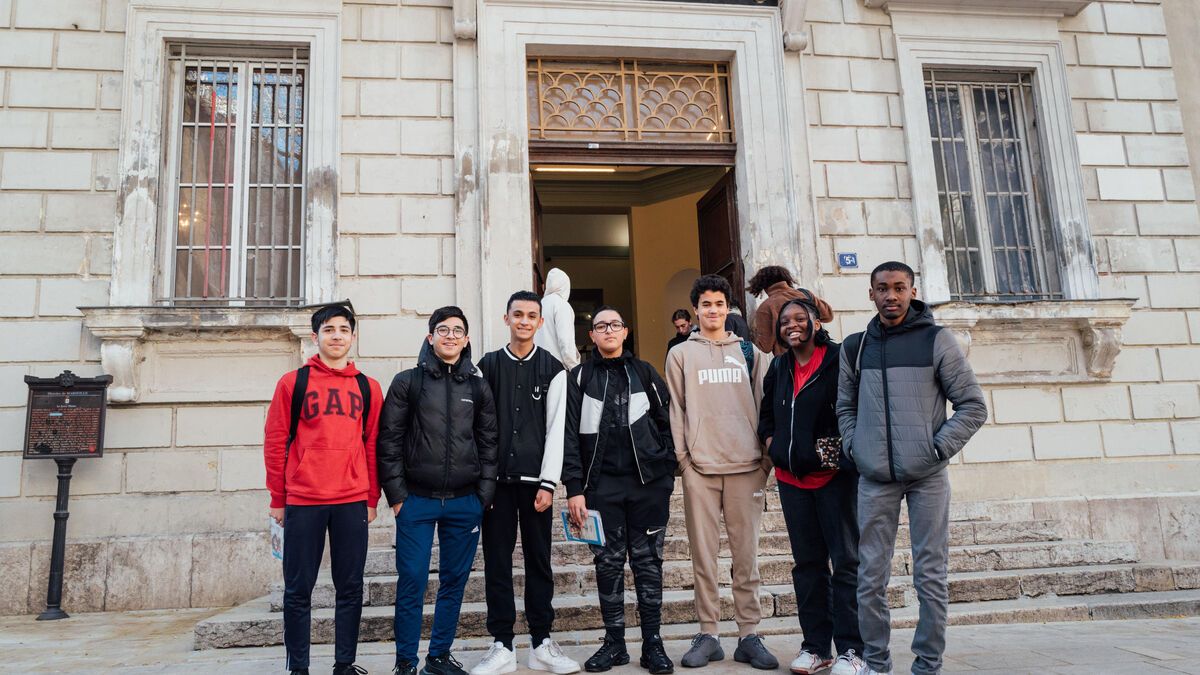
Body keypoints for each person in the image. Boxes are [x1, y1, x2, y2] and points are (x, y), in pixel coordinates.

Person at [836, 262, 987, 675]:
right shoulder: (855, 347)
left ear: (912, 291)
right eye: (883, 288)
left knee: (930, 575)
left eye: (899, 288)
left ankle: (928, 665)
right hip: (874, 478)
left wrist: (936, 448)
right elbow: (845, 406)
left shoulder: (937, 341)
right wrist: (855, 446)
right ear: (871, 293)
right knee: (870, 576)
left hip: (928, 477)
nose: (891, 295)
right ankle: (877, 663)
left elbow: (973, 406)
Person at [378, 306, 500, 675]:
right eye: (442, 330)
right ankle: (405, 661)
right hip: (416, 501)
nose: (450, 336)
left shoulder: (478, 387)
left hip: (465, 503)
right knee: (412, 581)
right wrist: (397, 497)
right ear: (430, 337)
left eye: (457, 330)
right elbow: (389, 441)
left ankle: (439, 657)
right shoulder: (407, 382)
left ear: (466, 340)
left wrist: (483, 496)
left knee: (454, 582)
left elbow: (489, 443)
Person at [264, 301, 384, 675]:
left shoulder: (368, 387)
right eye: (329, 330)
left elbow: (373, 444)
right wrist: (278, 497)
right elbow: (275, 441)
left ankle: (344, 664)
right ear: (315, 337)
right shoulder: (293, 383)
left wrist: (371, 497)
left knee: (350, 588)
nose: (336, 336)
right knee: (298, 590)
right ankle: (298, 667)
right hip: (304, 499)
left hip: (351, 499)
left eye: (343, 330)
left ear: (353, 337)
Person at [665, 274, 776, 671]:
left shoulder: (751, 353)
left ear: (729, 309)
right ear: (696, 310)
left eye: (719, 304)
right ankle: (708, 633)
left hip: (747, 467)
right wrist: (683, 461)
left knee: (746, 557)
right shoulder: (681, 354)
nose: (713, 310)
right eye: (706, 304)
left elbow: (766, 405)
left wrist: (765, 461)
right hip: (700, 468)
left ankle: (749, 634)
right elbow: (676, 409)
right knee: (704, 558)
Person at [562, 306, 677, 675]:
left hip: (648, 487)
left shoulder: (645, 373)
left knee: (648, 563)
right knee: (607, 564)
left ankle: (653, 644)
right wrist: (575, 488)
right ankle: (614, 643)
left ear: (625, 332)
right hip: (600, 489)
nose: (608, 330)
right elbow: (568, 436)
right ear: (592, 335)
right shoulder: (578, 378)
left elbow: (668, 423)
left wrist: (666, 473)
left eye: (614, 325)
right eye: (601, 326)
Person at [758, 292, 865, 675]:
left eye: (799, 318)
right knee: (807, 566)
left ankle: (852, 650)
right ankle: (816, 648)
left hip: (835, 479)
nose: (792, 325)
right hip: (792, 480)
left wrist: (835, 454)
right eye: (785, 322)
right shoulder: (779, 366)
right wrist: (772, 444)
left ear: (816, 322)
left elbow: (856, 410)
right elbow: (766, 414)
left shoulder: (839, 359)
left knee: (846, 563)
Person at [473, 291, 580, 675]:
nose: (523, 321)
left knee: (539, 561)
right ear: (507, 319)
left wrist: (549, 483)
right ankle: (501, 645)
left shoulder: (553, 369)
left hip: (537, 485)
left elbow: (556, 429)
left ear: (540, 322)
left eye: (531, 316)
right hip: (497, 485)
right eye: (517, 314)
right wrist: (484, 481)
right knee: (497, 562)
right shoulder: (487, 366)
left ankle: (541, 643)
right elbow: (480, 429)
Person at [746, 266, 806, 356]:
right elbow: (826, 315)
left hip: (790, 359)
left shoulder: (765, 308)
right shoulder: (804, 295)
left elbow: (765, 347)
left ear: (762, 284)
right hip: (818, 355)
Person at [536, 268, 582, 371]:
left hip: (537, 366)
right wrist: (574, 368)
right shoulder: (562, 305)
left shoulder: (539, 304)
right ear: (565, 286)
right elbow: (566, 341)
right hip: (556, 369)